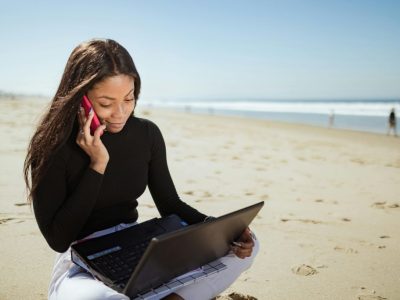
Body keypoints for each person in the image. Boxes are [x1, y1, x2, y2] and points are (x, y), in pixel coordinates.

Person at [23, 39, 259, 300]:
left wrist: (218, 228)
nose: (120, 112)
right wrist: (97, 165)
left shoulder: (146, 134)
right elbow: (59, 239)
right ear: (81, 97)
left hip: (138, 249)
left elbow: (170, 203)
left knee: (247, 246)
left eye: (129, 98)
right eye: (106, 103)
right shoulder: (52, 146)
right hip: (81, 268)